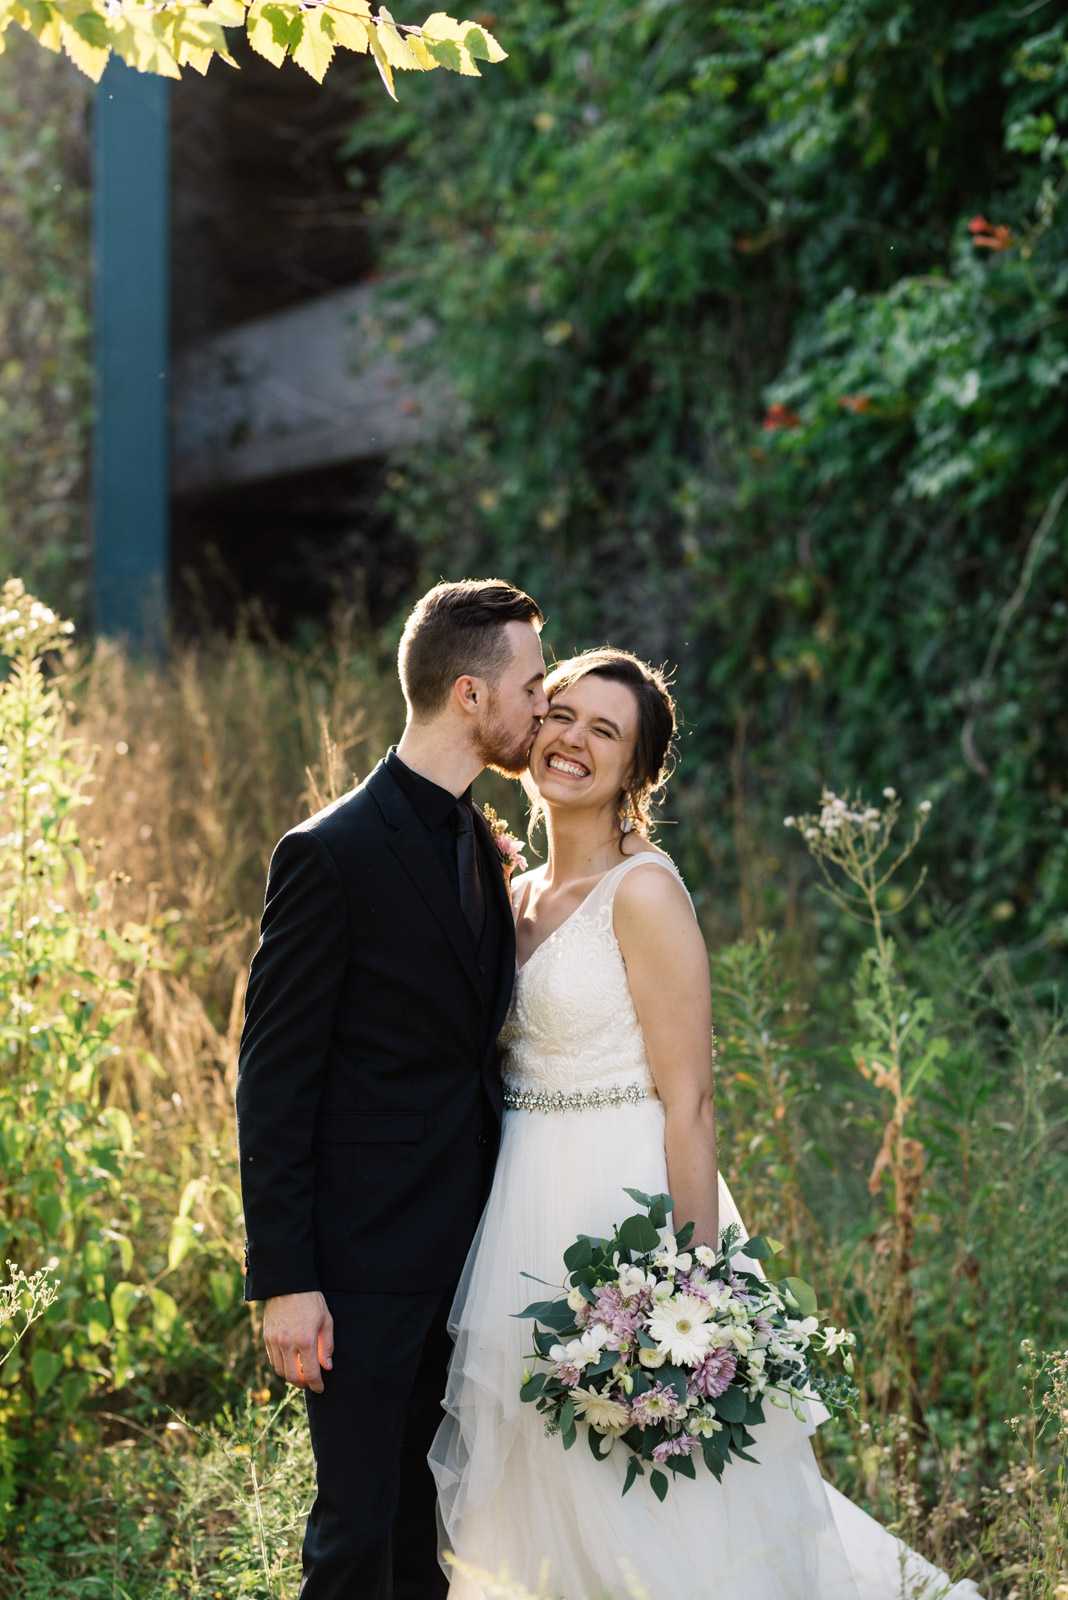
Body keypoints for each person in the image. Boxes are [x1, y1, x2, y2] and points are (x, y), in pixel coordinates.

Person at [431, 647, 981, 1600]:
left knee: (671, 1505)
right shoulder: (510, 892)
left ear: (637, 773)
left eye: (607, 732)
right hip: (518, 1214)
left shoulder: (643, 894)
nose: (573, 740)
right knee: (549, 1503)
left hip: (622, 1216)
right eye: (562, 713)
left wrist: (689, 1296)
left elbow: (689, 1101)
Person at [235, 578, 548, 1600]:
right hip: (362, 1265)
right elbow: (274, 1076)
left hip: (472, 1255)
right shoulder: (329, 853)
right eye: (533, 687)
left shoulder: (478, 839)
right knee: (356, 1531)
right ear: (471, 694)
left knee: (428, 1540)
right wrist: (286, 1277)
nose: (542, 708)